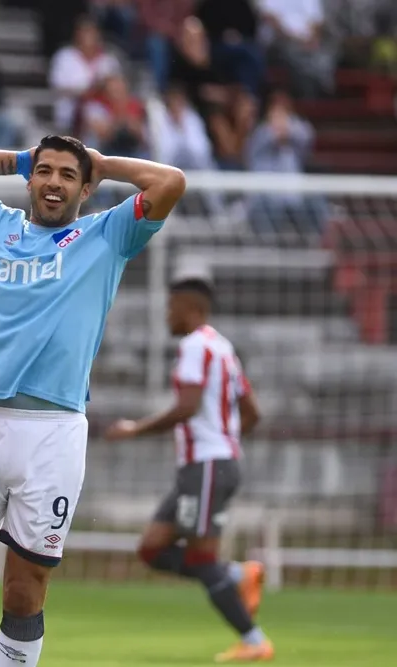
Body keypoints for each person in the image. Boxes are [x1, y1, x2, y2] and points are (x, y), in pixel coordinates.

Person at [0, 135, 186, 666]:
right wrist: (17, 159)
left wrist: (105, 163)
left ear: (87, 188)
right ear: (29, 180)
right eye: (43, 171)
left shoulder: (107, 234)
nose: (53, 183)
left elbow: (170, 182)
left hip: (54, 434)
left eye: (68, 174)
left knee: (24, 586)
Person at [105, 278, 273, 662]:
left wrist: (134, 430)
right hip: (207, 467)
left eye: (171, 307)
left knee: (199, 558)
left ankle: (254, 641)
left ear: (190, 307)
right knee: (152, 549)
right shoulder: (223, 347)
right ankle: (236, 575)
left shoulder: (196, 345)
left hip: (207, 469)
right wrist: (225, 443)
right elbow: (253, 413)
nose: (167, 315)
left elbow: (187, 408)